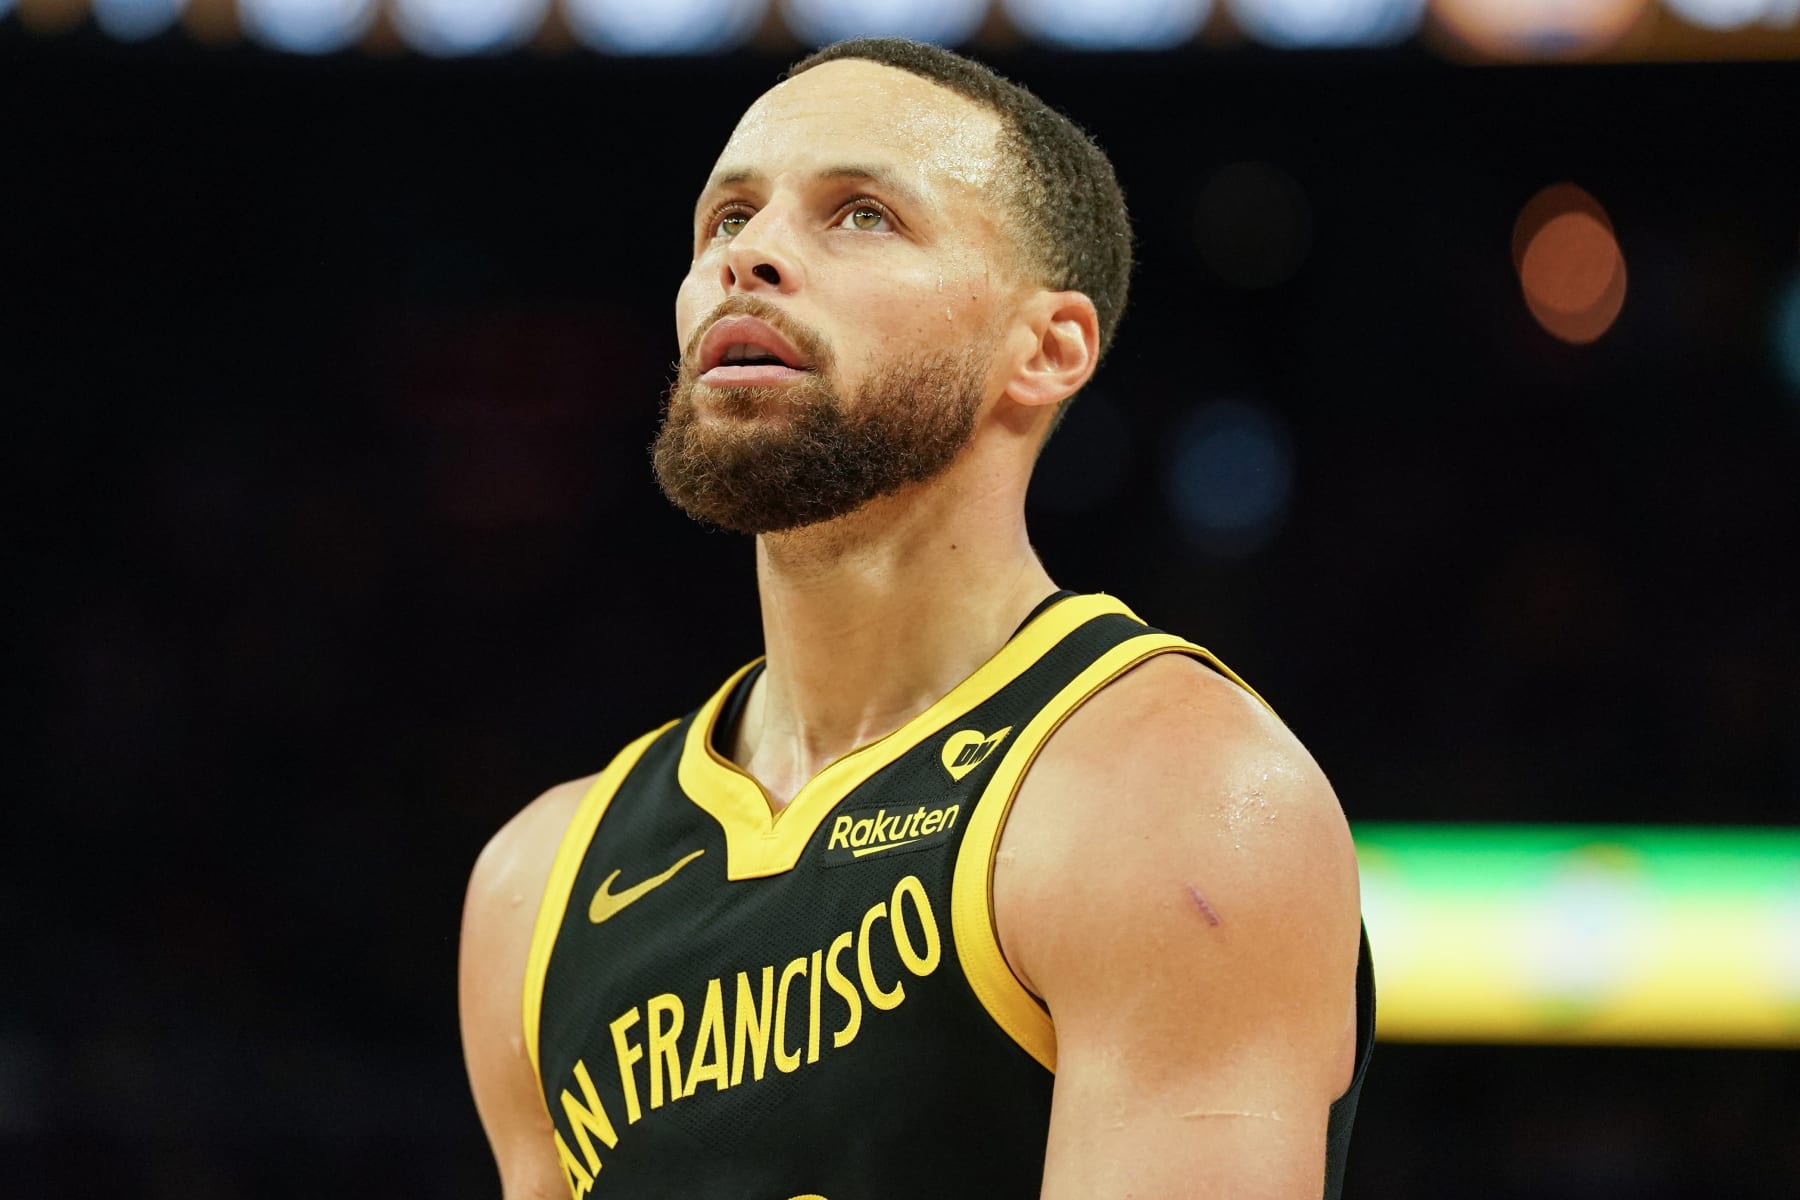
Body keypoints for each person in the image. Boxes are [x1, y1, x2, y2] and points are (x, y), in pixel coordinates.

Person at [459, 37, 1372, 1200]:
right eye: (728, 219)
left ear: (1045, 350)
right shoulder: (535, 883)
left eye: (861, 216)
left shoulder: (1175, 799)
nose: (754, 258)